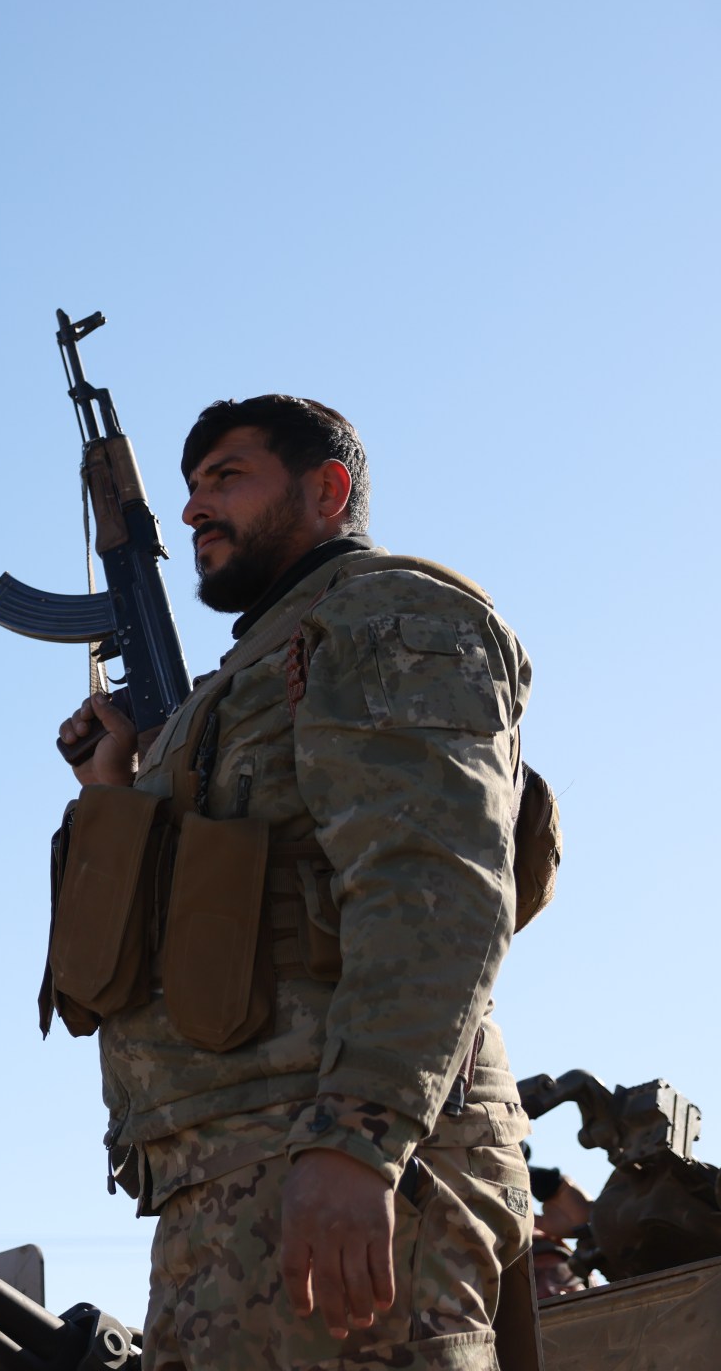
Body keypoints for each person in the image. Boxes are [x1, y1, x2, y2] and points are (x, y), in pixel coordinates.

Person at [46, 395, 536, 1370]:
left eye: (227, 477)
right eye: (190, 486)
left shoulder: (383, 613)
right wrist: (117, 787)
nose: (194, 508)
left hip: (343, 1156)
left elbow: (432, 884)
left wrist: (359, 1136)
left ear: (328, 491)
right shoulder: (242, 682)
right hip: (234, 1170)